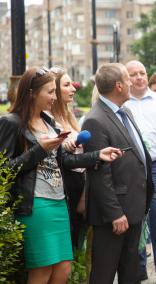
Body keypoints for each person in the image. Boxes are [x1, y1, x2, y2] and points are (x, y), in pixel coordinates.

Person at [0, 67, 122, 284]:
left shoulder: (48, 123)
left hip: (58, 203)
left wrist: (97, 155)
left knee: (63, 269)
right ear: (31, 93)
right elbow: (5, 170)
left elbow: (64, 161)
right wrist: (40, 149)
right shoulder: (11, 123)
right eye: (49, 92)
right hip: (35, 206)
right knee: (42, 269)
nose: (54, 97)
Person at [82, 63, 154, 283]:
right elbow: (99, 174)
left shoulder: (125, 111)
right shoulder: (95, 120)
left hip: (133, 207)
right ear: (119, 86)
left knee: (130, 273)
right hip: (114, 216)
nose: (133, 82)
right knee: (104, 273)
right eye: (128, 79)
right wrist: (114, 213)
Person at [124, 60, 156, 283]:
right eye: (134, 74)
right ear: (126, 79)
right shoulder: (123, 105)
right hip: (132, 169)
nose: (139, 77)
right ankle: (138, 269)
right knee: (136, 217)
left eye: (142, 73)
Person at [49, 66, 85, 249]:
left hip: (80, 183)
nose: (73, 88)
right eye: (67, 85)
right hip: (64, 185)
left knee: (78, 242)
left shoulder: (69, 116)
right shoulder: (48, 120)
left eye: (72, 84)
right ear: (53, 90)